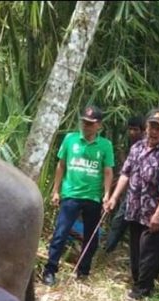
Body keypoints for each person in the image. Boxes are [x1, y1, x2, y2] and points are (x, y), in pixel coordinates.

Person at [104, 109, 159, 301]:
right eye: (151, 126)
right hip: (134, 209)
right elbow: (125, 174)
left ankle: (143, 289)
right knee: (136, 249)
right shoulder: (137, 147)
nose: (153, 131)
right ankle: (139, 282)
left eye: (158, 128)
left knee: (149, 251)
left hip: (154, 211)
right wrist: (113, 197)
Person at [42, 106, 114, 286]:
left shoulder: (105, 145)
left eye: (90, 124)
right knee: (60, 233)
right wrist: (56, 190)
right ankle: (50, 270)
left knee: (91, 237)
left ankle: (83, 271)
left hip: (93, 197)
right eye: (84, 122)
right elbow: (61, 165)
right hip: (71, 194)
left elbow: (107, 171)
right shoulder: (70, 139)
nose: (86, 126)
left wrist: (107, 195)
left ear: (99, 125)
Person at [104, 116, 146, 253]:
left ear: (143, 131)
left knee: (140, 231)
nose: (132, 133)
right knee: (118, 222)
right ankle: (107, 251)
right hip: (131, 194)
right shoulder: (133, 146)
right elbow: (126, 172)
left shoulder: (149, 146)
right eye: (130, 130)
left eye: (136, 130)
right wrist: (114, 196)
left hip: (146, 198)